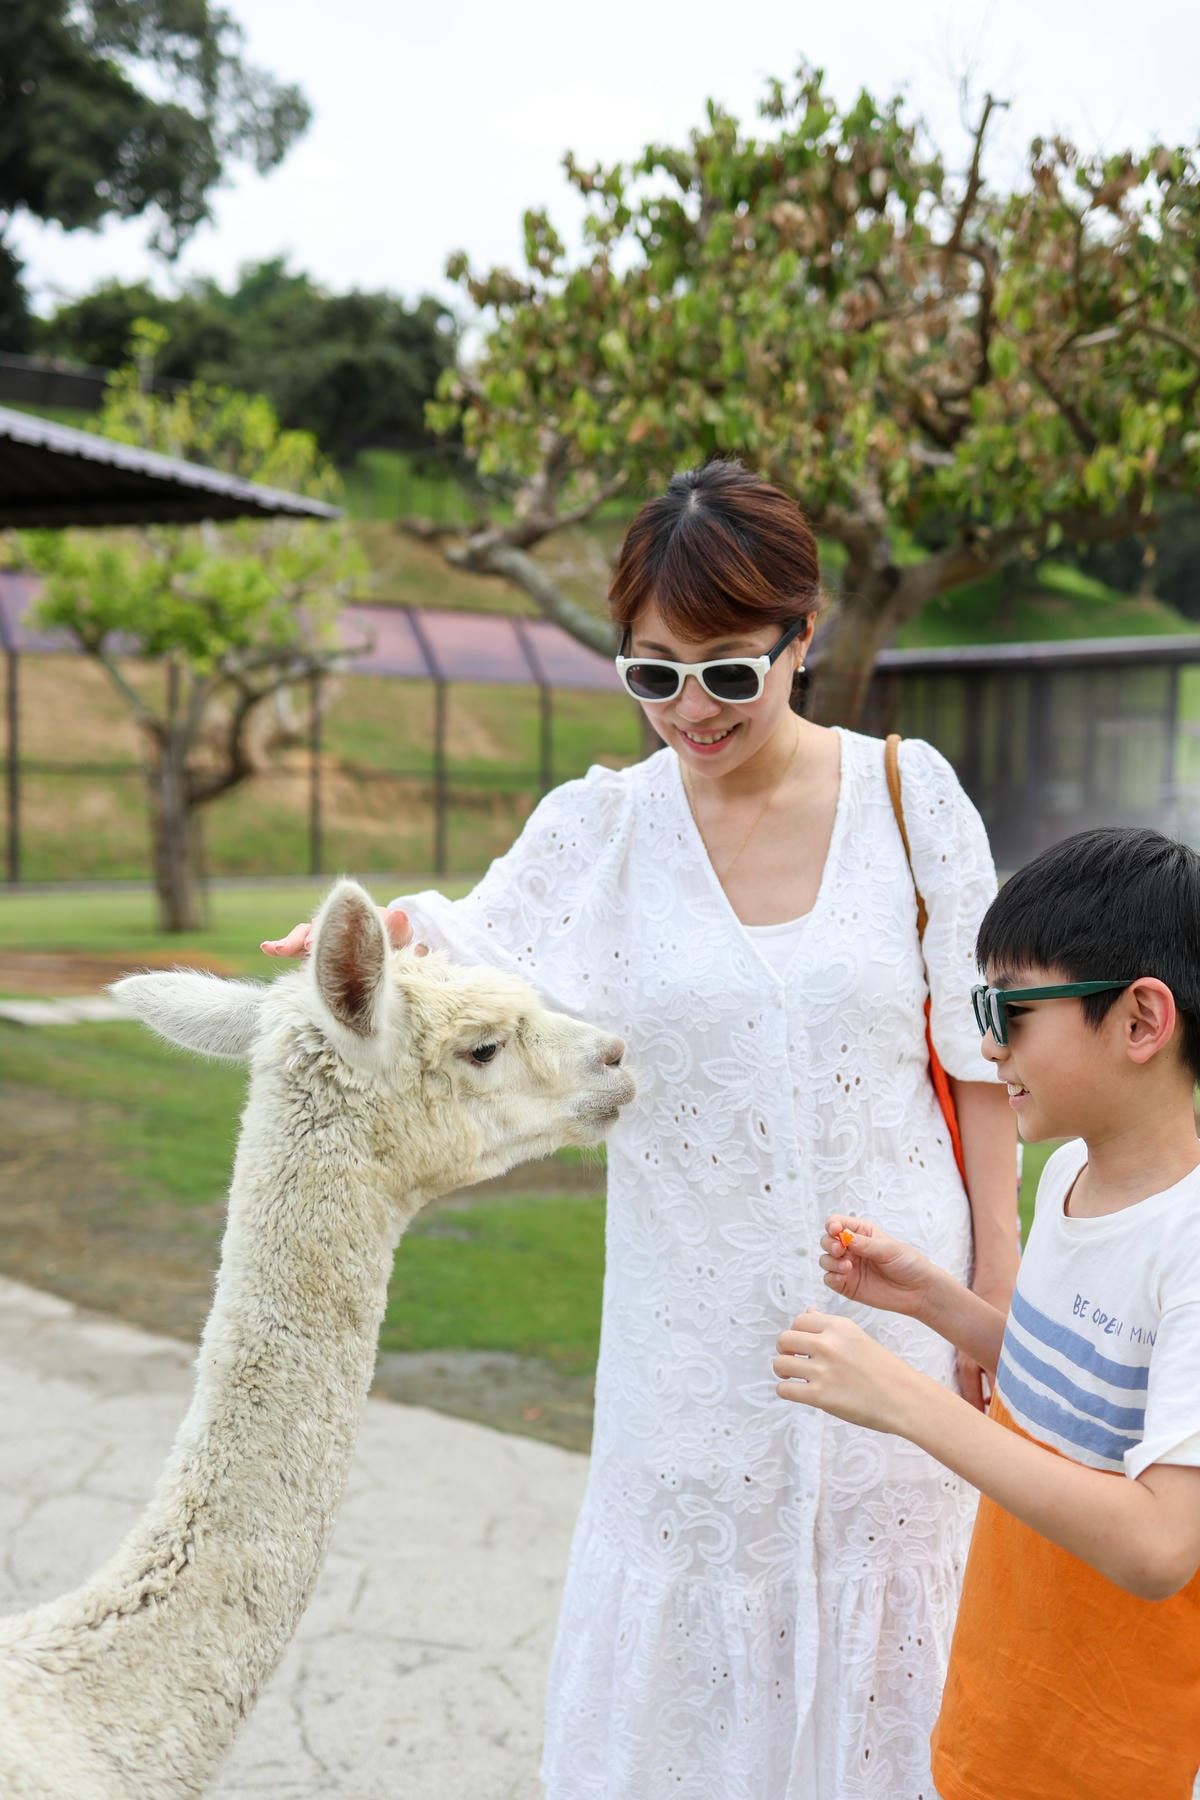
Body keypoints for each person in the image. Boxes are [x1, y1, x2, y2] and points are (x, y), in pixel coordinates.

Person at [263, 460, 1018, 1799]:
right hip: (695, 1352)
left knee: (903, 1658)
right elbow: (470, 961)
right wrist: (374, 954)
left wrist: (992, 1308)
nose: (692, 711)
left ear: (806, 635)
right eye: (653, 673)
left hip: (904, 1338)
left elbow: (982, 1071)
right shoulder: (604, 828)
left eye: (730, 671)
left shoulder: (912, 800)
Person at [774, 825, 1200, 1800]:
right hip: (1001, 1715)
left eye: (1009, 1009)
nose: (988, 1044)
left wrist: (906, 1406)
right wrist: (938, 1303)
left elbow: (1158, 1545)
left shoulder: (1191, 1249)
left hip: (1117, 1759)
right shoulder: (1069, 1180)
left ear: (1141, 1021)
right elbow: (1073, 1405)